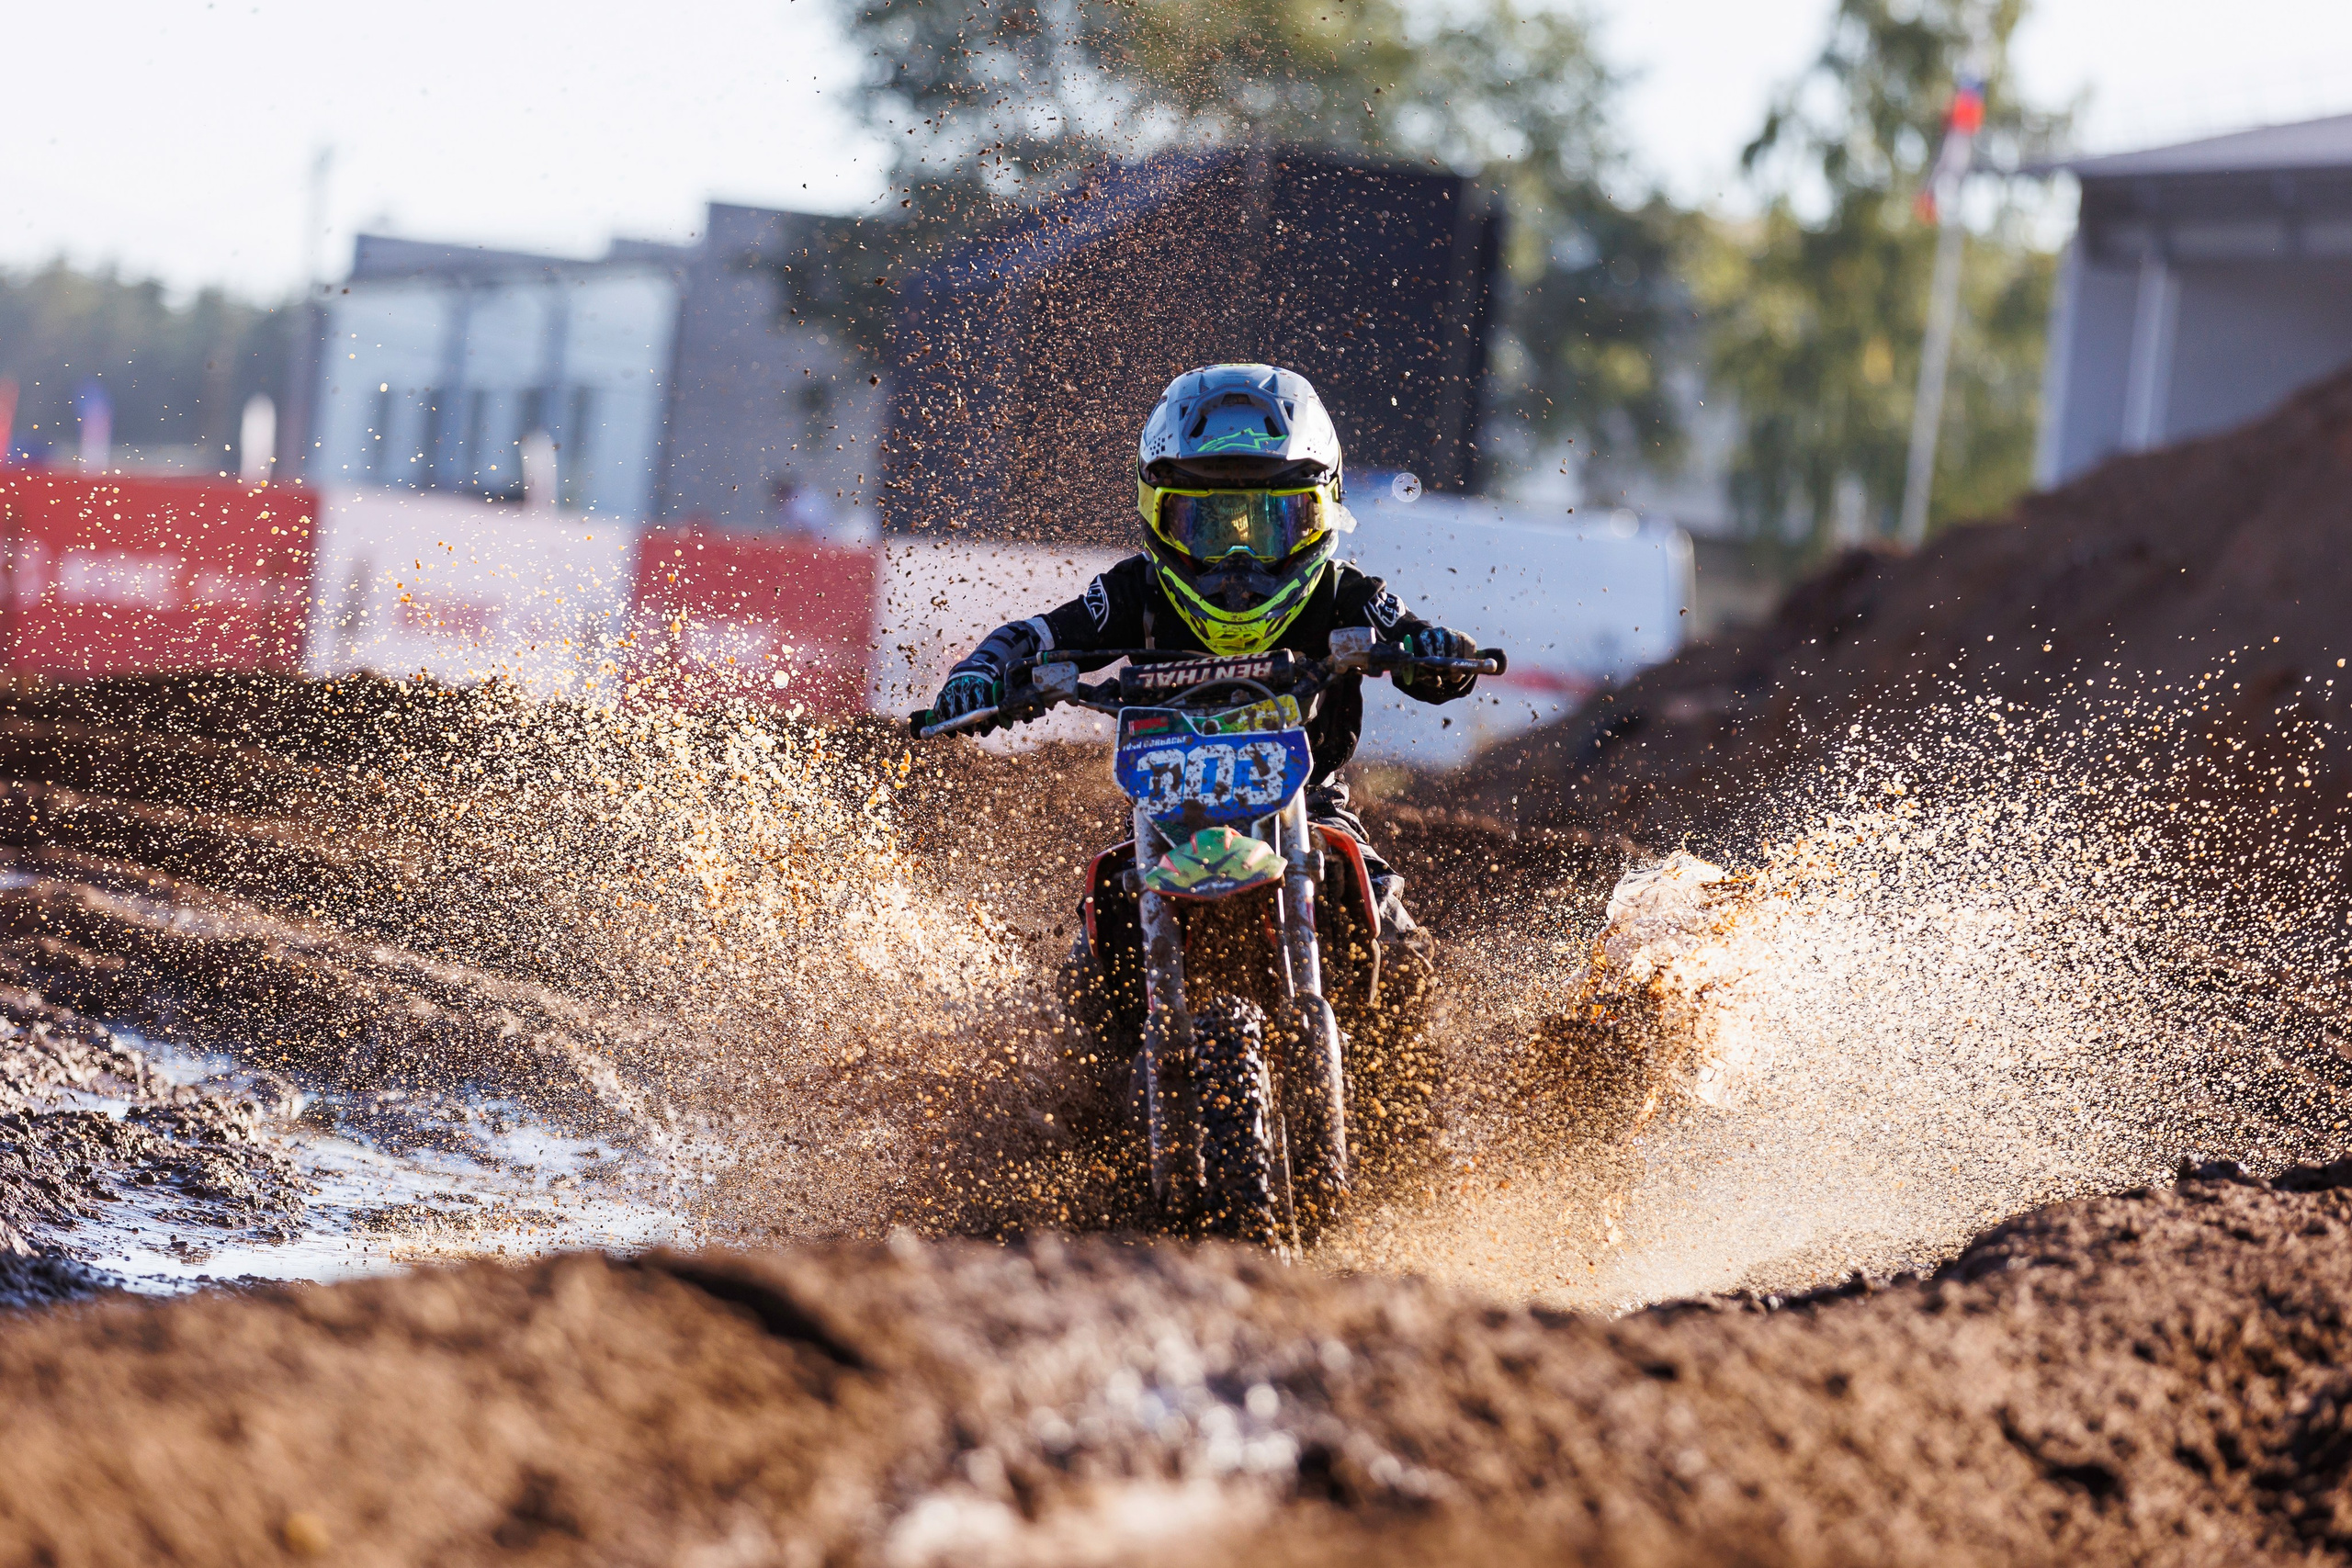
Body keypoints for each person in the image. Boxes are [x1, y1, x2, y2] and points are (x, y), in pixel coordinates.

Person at [927, 362, 1481, 933]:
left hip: (1309, 803)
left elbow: (1415, 639)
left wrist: (1436, 654)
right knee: (1100, 932)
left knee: (1386, 926)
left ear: (1323, 511)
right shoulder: (1136, 590)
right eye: (1206, 524)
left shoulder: (1342, 590)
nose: (1238, 563)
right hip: (1166, 814)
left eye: (1273, 523)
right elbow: (1042, 634)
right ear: (1156, 512)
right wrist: (983, 670)